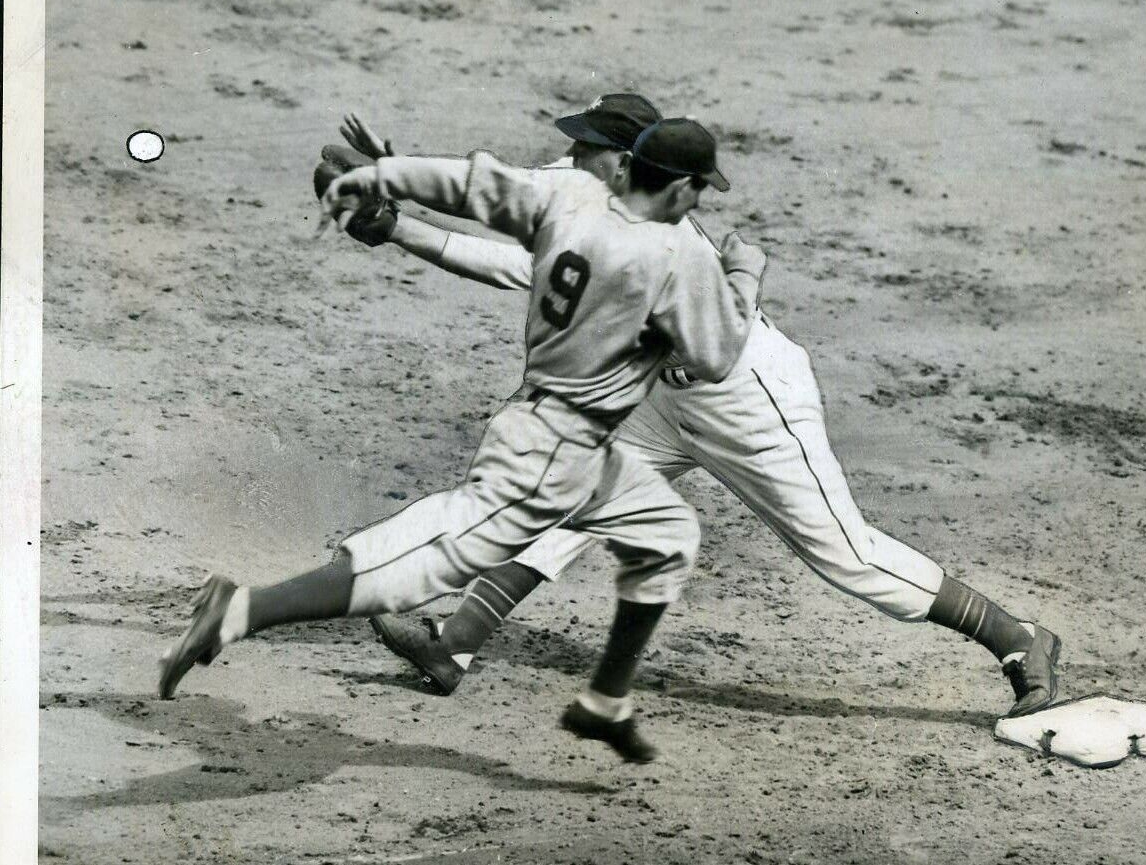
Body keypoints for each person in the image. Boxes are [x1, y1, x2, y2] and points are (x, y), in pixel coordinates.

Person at [325, 94, 1061, 749]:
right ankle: (454, 641)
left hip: (747, 402)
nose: (568, 158)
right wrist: (394, 196)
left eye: (584, 148)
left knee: (847, 556)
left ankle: (1017, 637)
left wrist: (399, 227)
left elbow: (523, 265)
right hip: (662, 399)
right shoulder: (601, 189)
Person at [158, 116, 766, 766]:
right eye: (698, 190)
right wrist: (743, 275)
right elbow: (717, 356)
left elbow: (469, 182)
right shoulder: (677, 255)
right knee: (430, 558)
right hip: (550, 450)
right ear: (677, 190)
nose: (699, 202)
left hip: (571, 436)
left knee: (665, 532)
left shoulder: (571, 198)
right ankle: (242, 608)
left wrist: (385, 179)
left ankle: (605, 703)